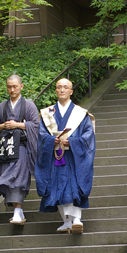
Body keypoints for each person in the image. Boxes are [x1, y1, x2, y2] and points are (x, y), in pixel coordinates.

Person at [35, 78, 96, 234]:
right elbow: (41, 135)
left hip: (73, 158)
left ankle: (77, 220)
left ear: (71, 91)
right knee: (56, 188)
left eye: (65, 87)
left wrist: (74, 142)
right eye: (59, 87)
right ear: (55, 91)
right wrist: (50, 140)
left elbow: (88, 135)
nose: (62, 90)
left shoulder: (80, 114)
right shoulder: (47, 113)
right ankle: (66, 221)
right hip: (55, 156)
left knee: (74, 187)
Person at [0, 74, 39, 225]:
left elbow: (36, 125)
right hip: (6, 150)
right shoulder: (2, 107)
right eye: (9, 86)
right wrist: (2, 126)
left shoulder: (29, 105)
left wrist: (18, 125)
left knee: (17, 177)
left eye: (15, 86)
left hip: (22, 149)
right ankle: (18, 210)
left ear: (21, 86)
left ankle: (17, 210)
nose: (12, 89)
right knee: (8, 178)